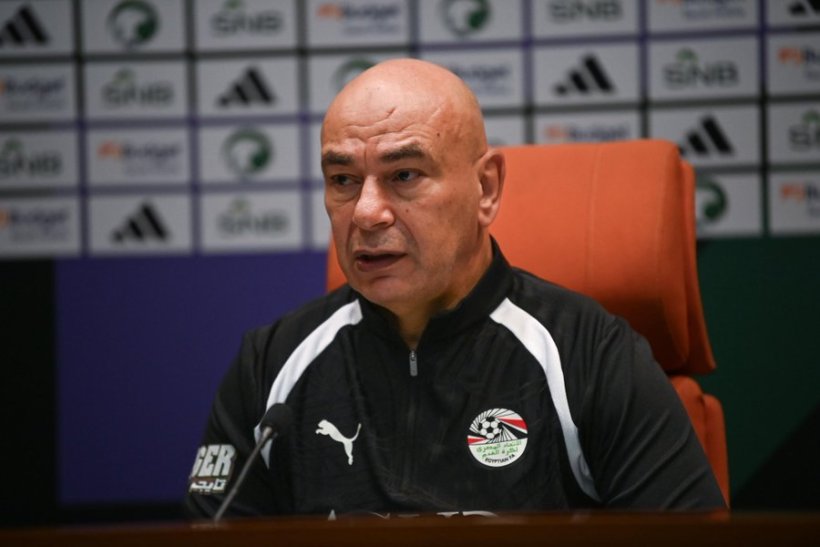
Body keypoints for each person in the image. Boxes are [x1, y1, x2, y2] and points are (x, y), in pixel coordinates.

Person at [185, 59, 726, 518]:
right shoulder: (272, 366)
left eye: (404, 175)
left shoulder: (591, 357)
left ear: (485, 188)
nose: (367, 213)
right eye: (343, 180)